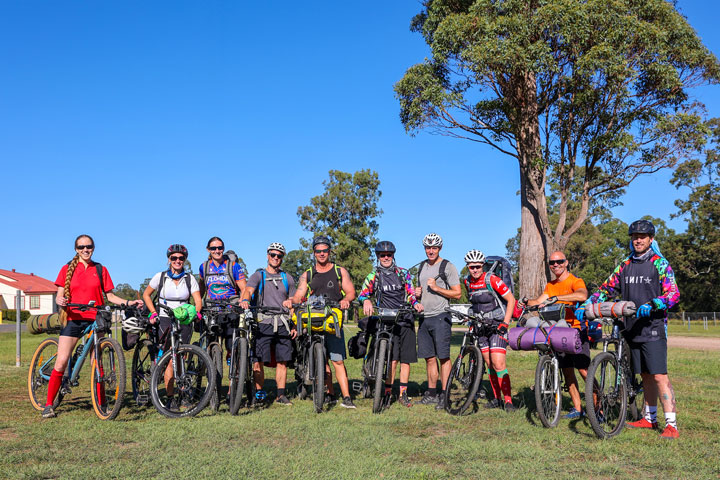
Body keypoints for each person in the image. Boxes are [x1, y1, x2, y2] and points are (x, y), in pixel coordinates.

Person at [578, 219, 681, 439]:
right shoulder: (624, 265)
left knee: (659, 375)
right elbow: (606, 288)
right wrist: (589, 303)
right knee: (644, 375)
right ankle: (649, 418)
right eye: (634, 237)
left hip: (652, 327)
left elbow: (673, 294)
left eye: (642, 237)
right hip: (630, 328)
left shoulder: (659, 263)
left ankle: (671, 424)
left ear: (651, 239)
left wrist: (654, 304)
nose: (638, 240)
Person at [43, 235, 144, 418]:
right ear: (76, 249)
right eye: (81, 247)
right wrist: (60, 300)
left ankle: (102, 403)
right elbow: (59, 296)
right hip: (73, 318)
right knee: (62, 359)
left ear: (93, 248)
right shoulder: (67, 269)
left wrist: (129, 302)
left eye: (88, 246)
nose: (85, 250)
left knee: (97, 363)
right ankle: (49, 405)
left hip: (96, 318)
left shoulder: (100, 269)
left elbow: (110, 296)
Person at [283, 236, 357, 409]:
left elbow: (351, 291)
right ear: (314, 253)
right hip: (313, 318)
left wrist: (346, 300)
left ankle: (346, 398)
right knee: (321, 361)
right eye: (318, 251)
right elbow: (300, 294)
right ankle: (330, 393)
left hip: (332, 319)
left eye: (325, 250)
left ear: (329, 251)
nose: (322, 254)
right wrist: (291, 301)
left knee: (337, 361)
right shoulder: (308, 274)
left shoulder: (340, 271)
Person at [358, 241, 424, 407]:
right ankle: (387, 392)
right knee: (392, 359)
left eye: (388, 255)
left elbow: (410, 293)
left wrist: (415, 303)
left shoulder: (403, 273)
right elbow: (363, 294)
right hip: (386, 319)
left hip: (405, 318)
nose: (386, 257)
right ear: (378, 257)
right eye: (382, 255)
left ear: (393, 255)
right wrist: (366, 300)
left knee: (405, 359)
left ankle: (403, 394)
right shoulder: (374, 275)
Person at [527, 251, 588, 418]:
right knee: (567, 371)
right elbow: (539, 301)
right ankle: (577, 409)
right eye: (552, 263)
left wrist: (557, 298)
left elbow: (582, 295)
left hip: (576, 329)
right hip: (559, 331)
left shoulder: (575, 281)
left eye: (559, 261)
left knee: (584, 371)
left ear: (566, 262)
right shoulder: (550, 285)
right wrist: (526, 301)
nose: (555, 265)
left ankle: (599, 408)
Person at [142, 244, 202, 409]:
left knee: (181, 356)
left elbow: (198, 300)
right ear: (169, 259)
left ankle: (182, 393)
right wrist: (153, 312)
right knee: (169, 358)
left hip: (184, 319)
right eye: (174, 258)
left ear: (184, 260)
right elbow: (146, 295)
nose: (177, 261)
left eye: (181, 258)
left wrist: (197, 312)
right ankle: (170, 397)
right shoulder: (160, 277)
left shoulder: (190, 279)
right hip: (165, 318)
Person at [239, 242, 297, 406]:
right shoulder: (259, 275)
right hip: (264, 322)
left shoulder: (288, 278)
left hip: (283, 323)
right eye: (273, 255)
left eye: (279, 256)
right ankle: (259, 393)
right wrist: (244, 300)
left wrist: (293, 317)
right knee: (258, 360)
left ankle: (280, 394)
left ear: (282, 258)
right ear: (267, 256)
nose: (275, 258)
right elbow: (249, 290)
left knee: (282, 361)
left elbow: (294, 299)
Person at [462, 250, 517, 412]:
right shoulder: (468, 282)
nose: (475, 270)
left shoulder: (492, 279)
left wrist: (505, 323)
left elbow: (511, 300)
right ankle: (496, 398)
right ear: (468, 267)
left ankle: (508, 401)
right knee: (489, 364)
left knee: (499, 363)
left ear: (483, 265)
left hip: (496, 326)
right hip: (481, 328)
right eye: (472, 267)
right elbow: (474, 303)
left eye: (478, 266)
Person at [413, 233, 462, 410]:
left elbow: (457, 293)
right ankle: (432, 393)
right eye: (428, 247)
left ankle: (445, 394)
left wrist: (437, 288)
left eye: (434, 248)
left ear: (440, 248)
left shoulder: (447, 266)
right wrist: (417, 294)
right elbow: (418, 293)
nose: (430, 251)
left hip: (441, 316)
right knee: (429, 358)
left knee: (443, 357)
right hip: (424, 318)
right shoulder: (421, 267)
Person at [198, 236, 247, 356]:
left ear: (223, 248)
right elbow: (201, 289)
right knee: (211, 340)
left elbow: (244, 288)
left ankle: (234, 363)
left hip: (230, 306)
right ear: (208, 249)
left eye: (220, 248)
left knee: (231, 342)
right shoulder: (204, 267)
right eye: (213, 248)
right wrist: (198, 305)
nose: (217, 250)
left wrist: (243, 301)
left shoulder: (233, 266)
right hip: (212, 308)